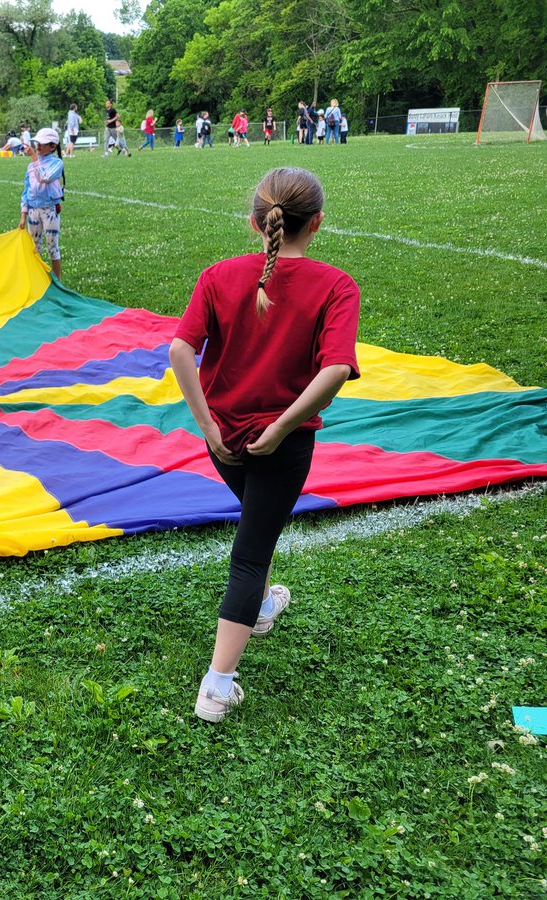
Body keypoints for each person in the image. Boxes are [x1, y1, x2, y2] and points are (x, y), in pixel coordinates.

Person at [168, 167, 360, 724]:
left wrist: (208, 427)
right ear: (317, 223)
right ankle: (217, 684)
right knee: (250, 557)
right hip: (281, 445)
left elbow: (181, 352)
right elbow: (337, 369)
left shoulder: (218, 275)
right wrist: (280, 428)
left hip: (224, 438)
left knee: (260, 523)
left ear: (255, 222)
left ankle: (263, 606)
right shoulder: (334, 284)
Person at [18, 127, 65, 280]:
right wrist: (23, 214)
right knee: (34, 248)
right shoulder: (31, 167)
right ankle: (37, 280)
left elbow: (44, 177)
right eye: (37, 143)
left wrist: (33, 158)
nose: (38, 146)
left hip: (49, 210)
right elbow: (26, 190)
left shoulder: (57, 164)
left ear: (52, 147)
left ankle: (57, 283)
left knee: (53, 247)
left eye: (42, 144)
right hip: (33, 210)